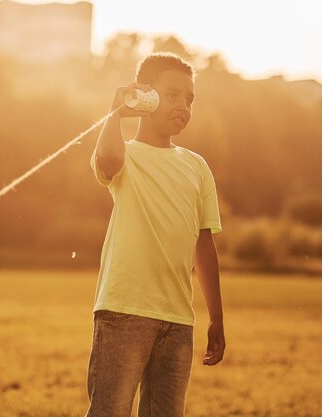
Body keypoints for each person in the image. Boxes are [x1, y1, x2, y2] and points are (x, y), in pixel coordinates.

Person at [86, 52, 225, 417]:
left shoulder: (197, 167)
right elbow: (108, 162)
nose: (183, 105)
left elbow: (204, 242)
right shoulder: (125, 153)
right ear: (144, 95)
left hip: (178, 319)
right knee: (109, 410)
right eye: (172, 94)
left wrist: (216, 317)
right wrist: (116, 111)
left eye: (189, 98)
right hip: (124, 311)